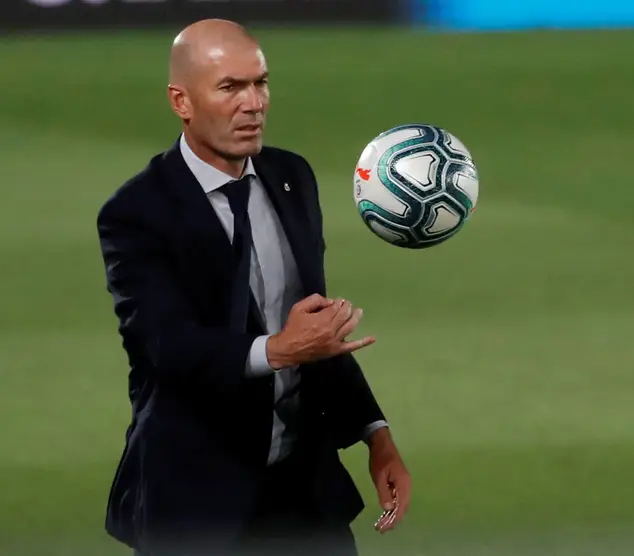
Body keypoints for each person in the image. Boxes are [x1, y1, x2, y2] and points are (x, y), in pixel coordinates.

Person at [95, 18, 411, 556]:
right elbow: (165, 347)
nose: (253, 103)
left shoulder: (292, 178)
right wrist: (277, 350)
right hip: (197, 504)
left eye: (260, 83)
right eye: (230, 87)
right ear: (181, 101)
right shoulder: (137, 213)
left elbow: (314, 330)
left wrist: (374, 434)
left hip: (303, 497)